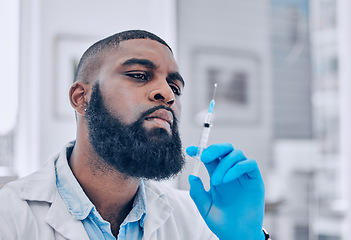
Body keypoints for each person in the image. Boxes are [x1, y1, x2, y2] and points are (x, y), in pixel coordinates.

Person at [0, 30, 269, 240]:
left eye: (175, 88)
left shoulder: (195, 216)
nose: (166, 94)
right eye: (139, 75)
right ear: (82, 97)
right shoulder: (9, 215)